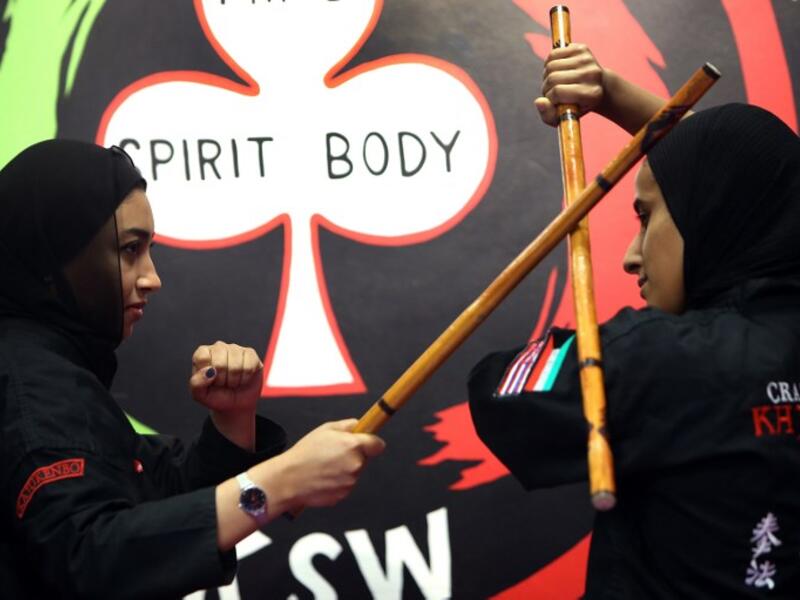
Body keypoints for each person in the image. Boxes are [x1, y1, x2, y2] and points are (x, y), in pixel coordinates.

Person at [469, 44, 800, 598]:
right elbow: (755, 178)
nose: (631, 254)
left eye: (646, 218)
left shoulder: (656, 359)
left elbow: (496, 392)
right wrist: (614, 97)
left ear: (711, 212)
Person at [0, 140, 385, 599]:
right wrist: (278, 484)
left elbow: (151, 490)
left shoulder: (53, 369)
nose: (152, 277)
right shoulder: (31, 382)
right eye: (129, 250)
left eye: (148, 249)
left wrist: (232, 421)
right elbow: (90, 555)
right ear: (57, 257)